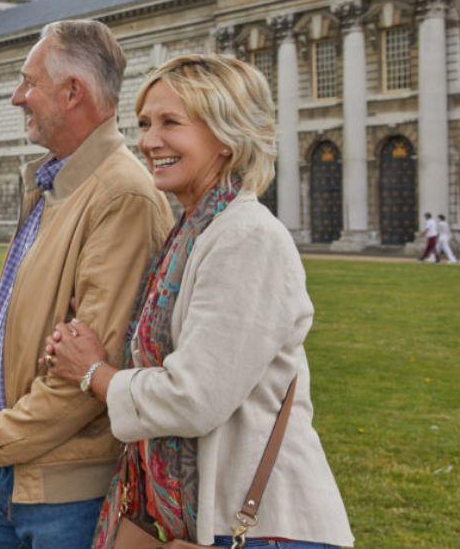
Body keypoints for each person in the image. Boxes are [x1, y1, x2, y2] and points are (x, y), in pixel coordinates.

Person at [44, 54, 353, 548]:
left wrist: (93, 374)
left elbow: (193, 398)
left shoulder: (248, 237)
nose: (148, 141)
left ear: (227, 138)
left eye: (171, 123)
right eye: (145, 123)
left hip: (260, 527)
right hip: (196, 522)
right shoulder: (193, 230)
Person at [0, 19, 173, 548]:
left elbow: (87, 372)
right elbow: (1, 316)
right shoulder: (54, 182)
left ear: (73, 93)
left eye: (28, 83)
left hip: (70, 492)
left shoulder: (121, 196)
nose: (18, 98)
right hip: (12, 475)